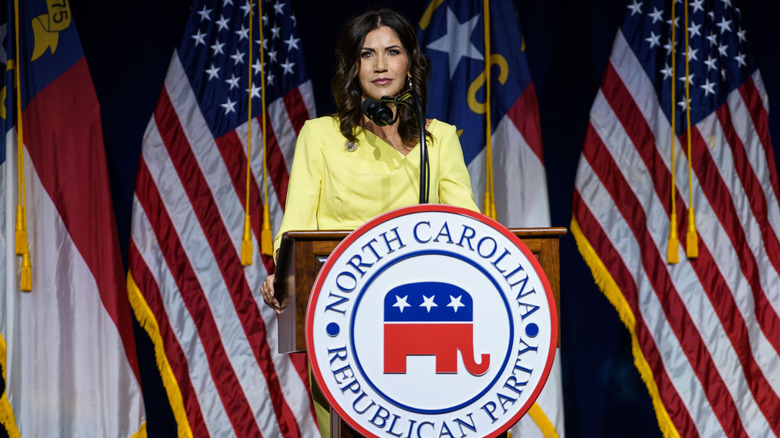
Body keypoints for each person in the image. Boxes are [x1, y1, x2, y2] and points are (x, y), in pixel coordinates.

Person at [261, 8, 478, 312]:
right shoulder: (320, 135)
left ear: (409, 64)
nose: (380, 66)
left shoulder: (440, 138)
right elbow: (296, 229)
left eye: (392, 52)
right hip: (340, 300)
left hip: (421, 302)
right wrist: (285, 275)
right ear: (353, 66)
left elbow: (470, 229)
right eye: (366, 55)